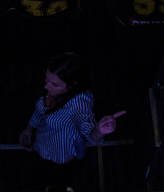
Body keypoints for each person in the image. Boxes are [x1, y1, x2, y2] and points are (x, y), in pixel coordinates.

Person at [20, 53, 122, 181]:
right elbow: (39, 112)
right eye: (46, 80)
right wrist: (29, 129)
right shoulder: (51, 91)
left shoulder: (79, 104)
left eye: (54, 84)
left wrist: (99, 130)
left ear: (71, 85)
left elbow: (90, 135)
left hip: (62, 161)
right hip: (41, 148)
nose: (46, 86)